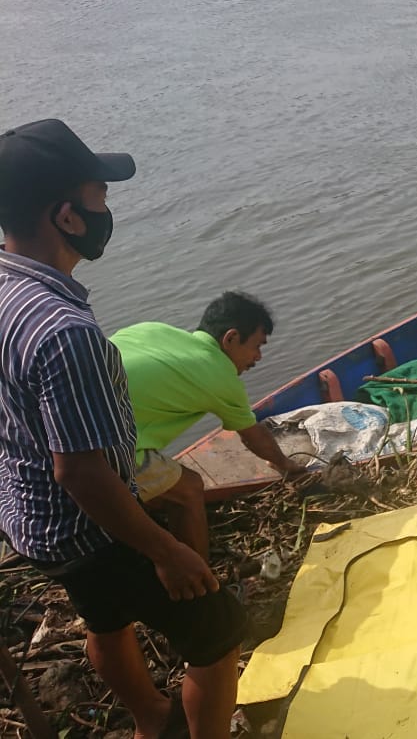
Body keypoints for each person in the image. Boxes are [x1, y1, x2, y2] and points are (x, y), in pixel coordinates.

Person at [0, 119, 243, 738]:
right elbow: (81, 472)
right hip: (85, 528)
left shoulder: (9, 288)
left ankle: (151, 720)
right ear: (68, 218)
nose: (106, 208)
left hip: (28, 518)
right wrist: (166, 552)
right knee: (217, 635)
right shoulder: (65, 332)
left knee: (105, 621)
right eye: (99, 197)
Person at [111, 292, 307, 560]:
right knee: (190, 488)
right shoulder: (219, 374)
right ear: (231, 338)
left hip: (56, 429)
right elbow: (253, 437)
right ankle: (200, 581)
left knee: (163, 489)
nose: (258, 357)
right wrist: (287, 465)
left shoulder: (150, 330)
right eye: (257, 346)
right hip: (105, 448)